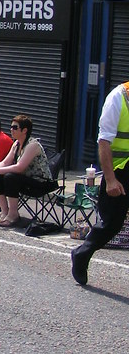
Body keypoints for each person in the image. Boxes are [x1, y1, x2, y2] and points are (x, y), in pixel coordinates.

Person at [70, 82, 129, 286]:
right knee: (112, 223)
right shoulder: (118, 98)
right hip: (121, 170)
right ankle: (82, 254)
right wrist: (111, 180)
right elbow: (104, 142)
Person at [0, 114, 53, 228]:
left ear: (24, 130)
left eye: (15, 128)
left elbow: (19, 167)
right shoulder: (16, 143)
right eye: (11, 127)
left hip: (40, 182)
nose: (11, 130)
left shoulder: (33, 145)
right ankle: (5, 211)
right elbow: (5, 162)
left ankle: (13, 214)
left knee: (10, 177)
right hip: (25, 179)